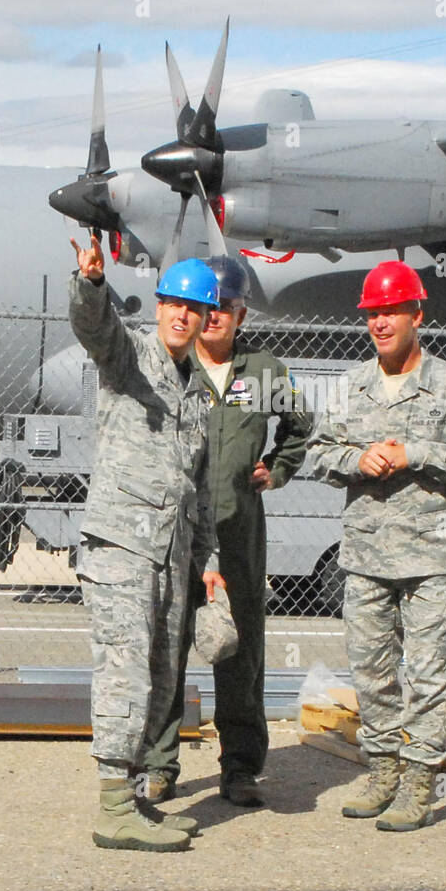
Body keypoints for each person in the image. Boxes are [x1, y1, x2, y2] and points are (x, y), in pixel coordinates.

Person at [307, 260, 446, 831]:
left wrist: (419, 452)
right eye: (372, 313)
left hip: (432, 559)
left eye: (391, 311)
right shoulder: (351, 386)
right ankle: (384, 770)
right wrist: (353, 459)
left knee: (430, 677)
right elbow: (316, 453)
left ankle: (419, 782)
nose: (380, 322)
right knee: (372, 671)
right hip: (366, 557)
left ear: (417, 314)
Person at [68, 233, 225, 853]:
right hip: (121, 548)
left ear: (210, 318)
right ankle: (112, 808)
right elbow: (94, 326)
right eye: (173, 303)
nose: (183, 315)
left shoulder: (199, 395)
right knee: (126, 675)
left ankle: (132, 798)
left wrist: (206, 563)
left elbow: (201, 490)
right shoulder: (128, 358)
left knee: (160, 680)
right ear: (158, 305)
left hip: (170, 555)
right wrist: (92, 284)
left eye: (195, 308)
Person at [142, 256, 314, 808]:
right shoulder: (170, 364)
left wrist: (279, 467)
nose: (213, 316)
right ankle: (159, 763)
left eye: (225, 308)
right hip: (175, 529)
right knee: (166, 648)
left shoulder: (262, 372)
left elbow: (300, 426)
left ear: (241, 315)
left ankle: (240, 767)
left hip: (237, 530)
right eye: (206, 306)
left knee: (240, 652)